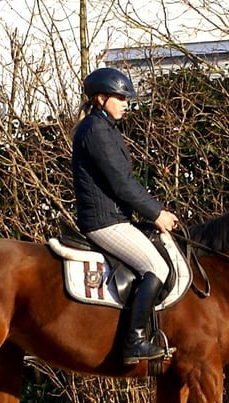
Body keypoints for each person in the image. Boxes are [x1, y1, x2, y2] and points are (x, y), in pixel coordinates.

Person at [71, 67, 179, 365]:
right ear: (101, 98)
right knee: (156, 267)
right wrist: (156, 213)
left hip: (115, 217)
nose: (125, 102)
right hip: (104, 222)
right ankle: (135, 342)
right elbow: (121, 183)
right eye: (120, 97)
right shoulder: (95, 131)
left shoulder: (105, 129)